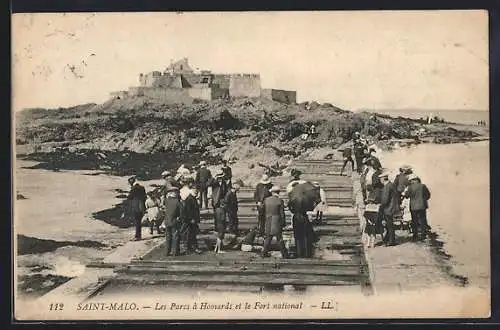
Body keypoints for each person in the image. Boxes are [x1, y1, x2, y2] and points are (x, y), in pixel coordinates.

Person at [262, 185, 288, 258]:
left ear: (272, 192)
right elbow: (282, 214)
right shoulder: (280, 201)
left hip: (268, 219)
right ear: (278, 192)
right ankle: (284, 254)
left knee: (268, 238)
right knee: (279, 238)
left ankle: (264, 253)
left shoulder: (266, 200)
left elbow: (262, 211)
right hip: (276, 220)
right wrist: (283, 223)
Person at [403, 174, 431, 241]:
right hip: (422, 206)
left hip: (414, 207)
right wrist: (423, 199)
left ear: (413, 180)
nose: (410, 182)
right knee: (423, 220)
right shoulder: (423, 186)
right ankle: (423, 235)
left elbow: (406, 196)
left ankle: (415, 236)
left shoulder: (410, 187)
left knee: (414, 221)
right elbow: (428, 195)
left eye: (411, 180)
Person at [179, 180, 201, 254]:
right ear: (192, 190)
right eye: (195, 190)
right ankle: (189, 248)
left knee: (192, 234)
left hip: (192, 219)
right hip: (190, 220)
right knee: (189, 234)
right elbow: (188, 210)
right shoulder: (190, 199)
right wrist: (191, 218)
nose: (197, 192)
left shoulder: (192, 198)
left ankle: (192, 247)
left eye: (197, 190)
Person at [379, 172, 399, 246]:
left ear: (383, 179)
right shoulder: (391, 185)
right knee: (389, 224)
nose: (380, 180)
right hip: (391, 206)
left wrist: (381, 205)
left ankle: (391, 241)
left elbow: (385, 199)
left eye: (380, 179)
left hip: (389, 208)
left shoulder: (387, 186)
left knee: (389, 225)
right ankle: (388, 238)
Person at [212, 172, 228, 253]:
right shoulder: (215, 183)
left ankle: (217, 248)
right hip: (218, 207)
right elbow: (208, 183)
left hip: (218, 208)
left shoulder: (224, 183)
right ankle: (218, 249)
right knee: (220, 233)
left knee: (219, 232)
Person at [126, 176, 147, 241]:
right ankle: (138, 235)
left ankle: (137, 236)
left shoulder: (133, 188)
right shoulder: (142, 188)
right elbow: (145, 197)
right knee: (139, 221)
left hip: (136, 206)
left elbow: (130, 197)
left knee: (137, 221)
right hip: (141, 206)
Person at [163, 186, 182, 256]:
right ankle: (175, 252)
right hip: (174, 221)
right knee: (175, 236)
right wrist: (179, 218)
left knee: (168, 237)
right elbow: (181, 212)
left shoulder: (166, 201)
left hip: (167, 221)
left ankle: (167, 252)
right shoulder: (177, 201)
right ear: (175, 193)